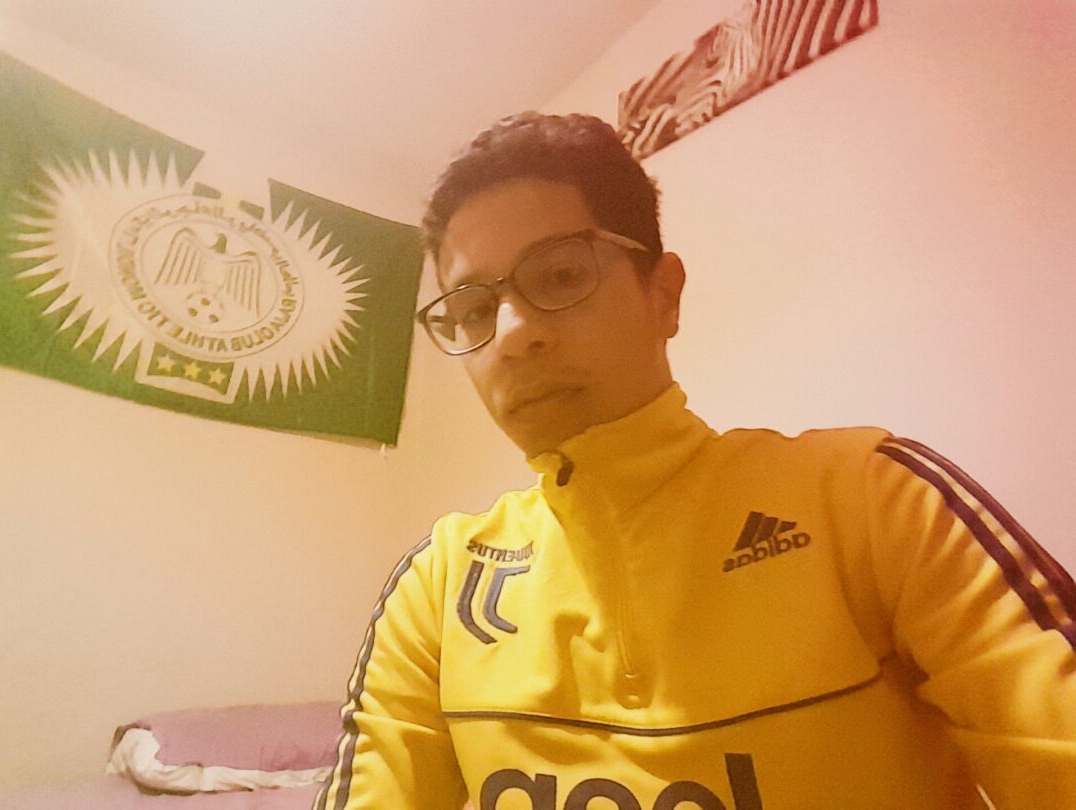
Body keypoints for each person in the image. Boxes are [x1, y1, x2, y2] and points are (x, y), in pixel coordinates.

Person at [315, 112, 1076, 810]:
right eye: (474, 310)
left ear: (665, 295)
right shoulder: (439, 582)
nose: (512, 334)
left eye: (560, 275)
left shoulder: (876, 499)